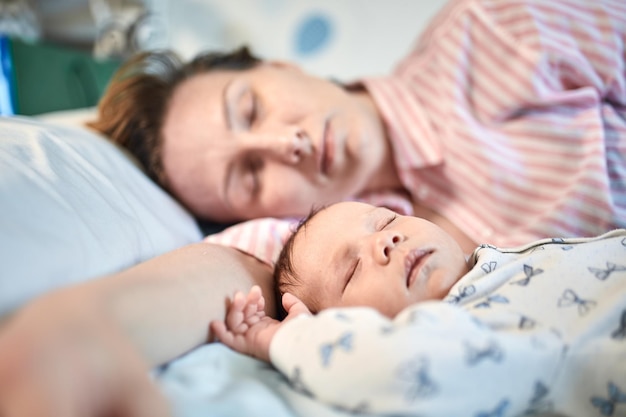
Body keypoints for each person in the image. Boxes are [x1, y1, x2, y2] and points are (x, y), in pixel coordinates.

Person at [0, 0, 625, 415]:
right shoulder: (328, 247)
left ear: (280, 66)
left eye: (250, 109)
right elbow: (223, 276)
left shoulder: (493, 30)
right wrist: (78, 329)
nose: (285, 144)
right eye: (248, 175)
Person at [211, 201, 626, 416]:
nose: (384, 242)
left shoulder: (503, 261)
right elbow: (391, 365)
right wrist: (288, 338)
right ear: (343, 327)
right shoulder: (461, 332)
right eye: (352, 270)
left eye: (386, 222)